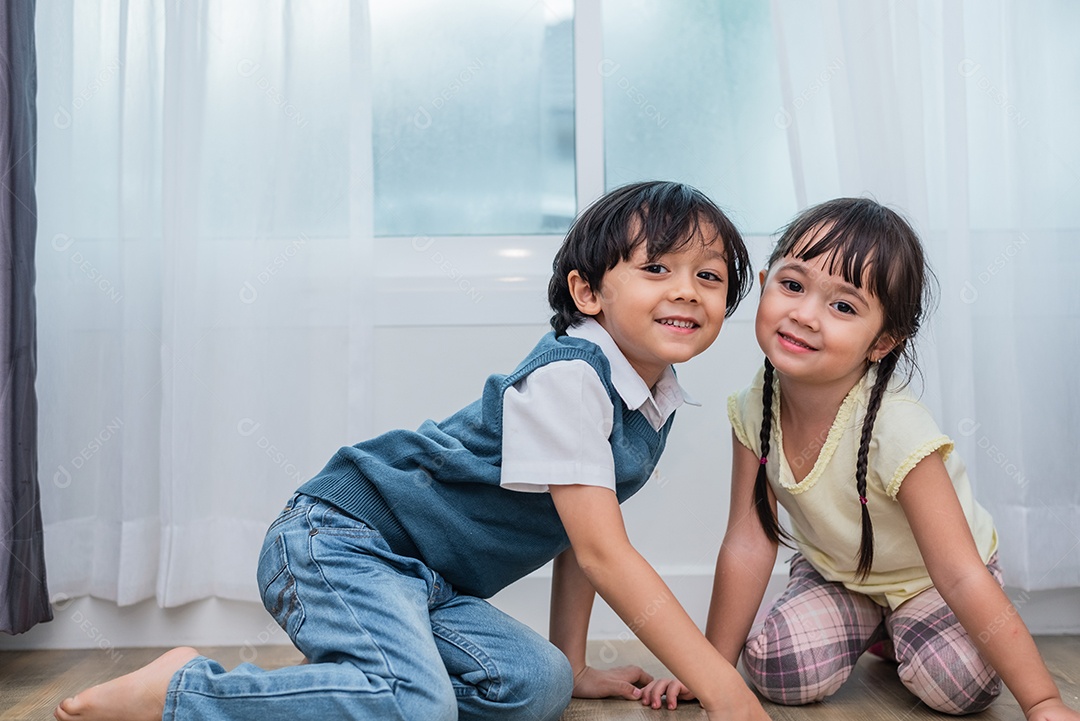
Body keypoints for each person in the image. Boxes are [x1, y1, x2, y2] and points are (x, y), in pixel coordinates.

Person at [54, 181, 771, 721]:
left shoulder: (652, 397)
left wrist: (575, 662)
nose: (688, 291)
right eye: (657, 269)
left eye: (708, 276)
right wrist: (723, 688)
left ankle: (365, 676)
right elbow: (609, 556)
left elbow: (580, 538)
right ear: (587, 291)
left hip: (425, 582)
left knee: (536, 685)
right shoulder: (569, 378)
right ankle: (185, 688)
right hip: (338, 541)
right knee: (416, 704)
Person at [640, 197, 1080, 720]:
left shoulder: (896, 428)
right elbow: (748, 540)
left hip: (929, 581)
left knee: (959, 684)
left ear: (883, 341)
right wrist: (710, 669)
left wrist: (1043, 701)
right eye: (793, 285)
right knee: (779, 668)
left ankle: (904, 632)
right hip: (841, 577)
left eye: (843, 306)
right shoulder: (754, 407)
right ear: (764, 282)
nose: (804, 314)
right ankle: (876, 629)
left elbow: (958, 573)